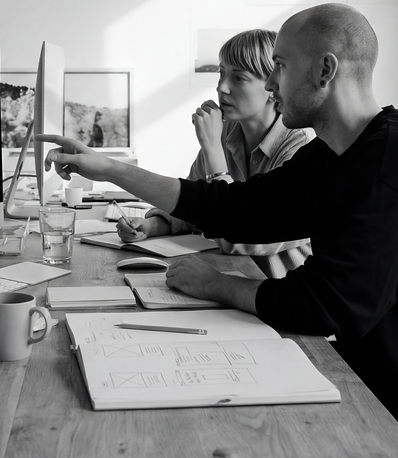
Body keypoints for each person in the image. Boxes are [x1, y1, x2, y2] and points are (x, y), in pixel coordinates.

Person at [38, 3, 398, 458]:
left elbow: (323, 306)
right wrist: (107, 168)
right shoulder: (335, 153)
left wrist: (217, 284)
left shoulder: (394, 166)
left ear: (325, 71)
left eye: (281, 66)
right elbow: (235, 210)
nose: (270, 83)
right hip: (381, 377)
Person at [117, 29, 314, 278]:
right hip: (227, 277)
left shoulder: (300, 146)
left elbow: (245, 238)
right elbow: (195, 204)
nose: (222, 87)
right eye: (221, 73)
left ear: (273, 86)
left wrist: (212, 149)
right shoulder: (226, 131)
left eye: (239, 78)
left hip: (276, 291)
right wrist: (153, 225)